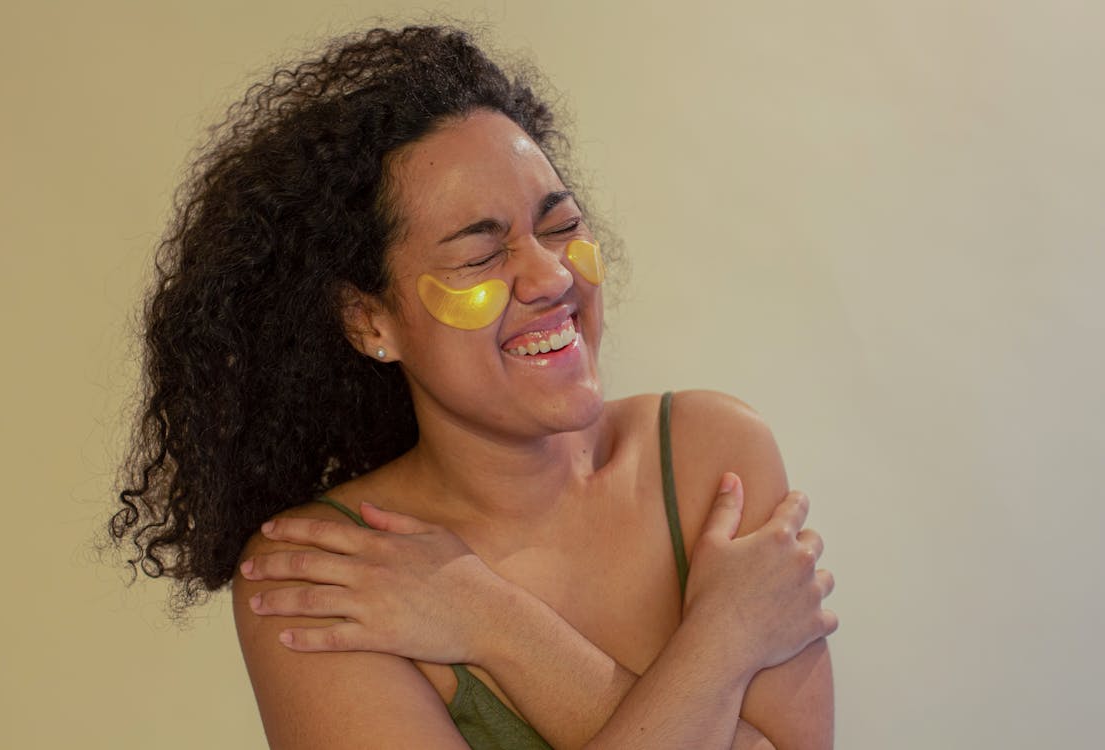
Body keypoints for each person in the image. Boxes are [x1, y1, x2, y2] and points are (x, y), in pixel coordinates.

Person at [112, 25, 837, 749]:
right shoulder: (320, 572)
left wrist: (494, 625)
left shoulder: (715, 453)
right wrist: (725, 634)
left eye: (559, 226)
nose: (553, 276)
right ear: (369, 321)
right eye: (482, 255)